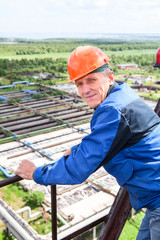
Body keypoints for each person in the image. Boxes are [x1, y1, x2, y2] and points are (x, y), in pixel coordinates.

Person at [15, 46, 160, 240]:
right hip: (154, 201)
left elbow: (78, 168)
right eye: (79, 83)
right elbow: (108, 143)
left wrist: (35, 173)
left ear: (109, 77)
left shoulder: (113, 111)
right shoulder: (122, 96)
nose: (85, 90)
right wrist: (77, 150)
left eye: (91, 80)